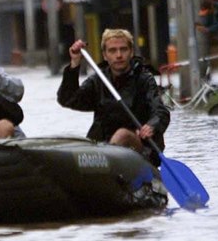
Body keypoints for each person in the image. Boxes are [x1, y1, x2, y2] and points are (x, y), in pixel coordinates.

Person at [56, 29, 170, 167]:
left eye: (123, 49)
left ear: (131, 52)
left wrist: (152, 125)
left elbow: (160, 111)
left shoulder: (144, 79)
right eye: (112, 51)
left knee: (122, 135)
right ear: (105, 55)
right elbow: (68, 99)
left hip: (140, 148)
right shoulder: (98, 80)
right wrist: (74, 64)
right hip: (103, 148)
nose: (119, 55)